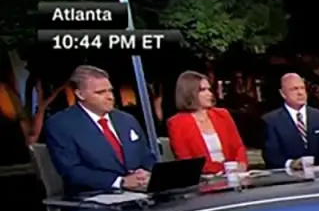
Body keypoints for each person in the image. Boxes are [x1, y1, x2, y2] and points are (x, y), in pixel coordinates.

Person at [45, 65, 154, 193]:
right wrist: (121, 181)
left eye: (110, 91)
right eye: (100, 92)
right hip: (93, 195)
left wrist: (145, 172)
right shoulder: (61, 124)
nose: (110, 96)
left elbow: (146, 156)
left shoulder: (127, 120)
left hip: (141, 191)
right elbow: (71, 170)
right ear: (80, 94)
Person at [166, 71, 247, 175]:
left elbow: (239, 147)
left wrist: (241, 163)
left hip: (233, 174)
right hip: (204, 178)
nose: (210, 94)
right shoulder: (176, 123)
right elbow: (187, 161)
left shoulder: (222, 115)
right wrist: (222, 168)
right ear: (189, 93)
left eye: (209, 89)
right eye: (203, 90)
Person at [263, 73, 319, 170]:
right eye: (294, 89)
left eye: (302, 88)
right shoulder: (271, 121)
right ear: (283, 93)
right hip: (288, 176)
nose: (300, 92)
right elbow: (271, 154)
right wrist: (291, 164)